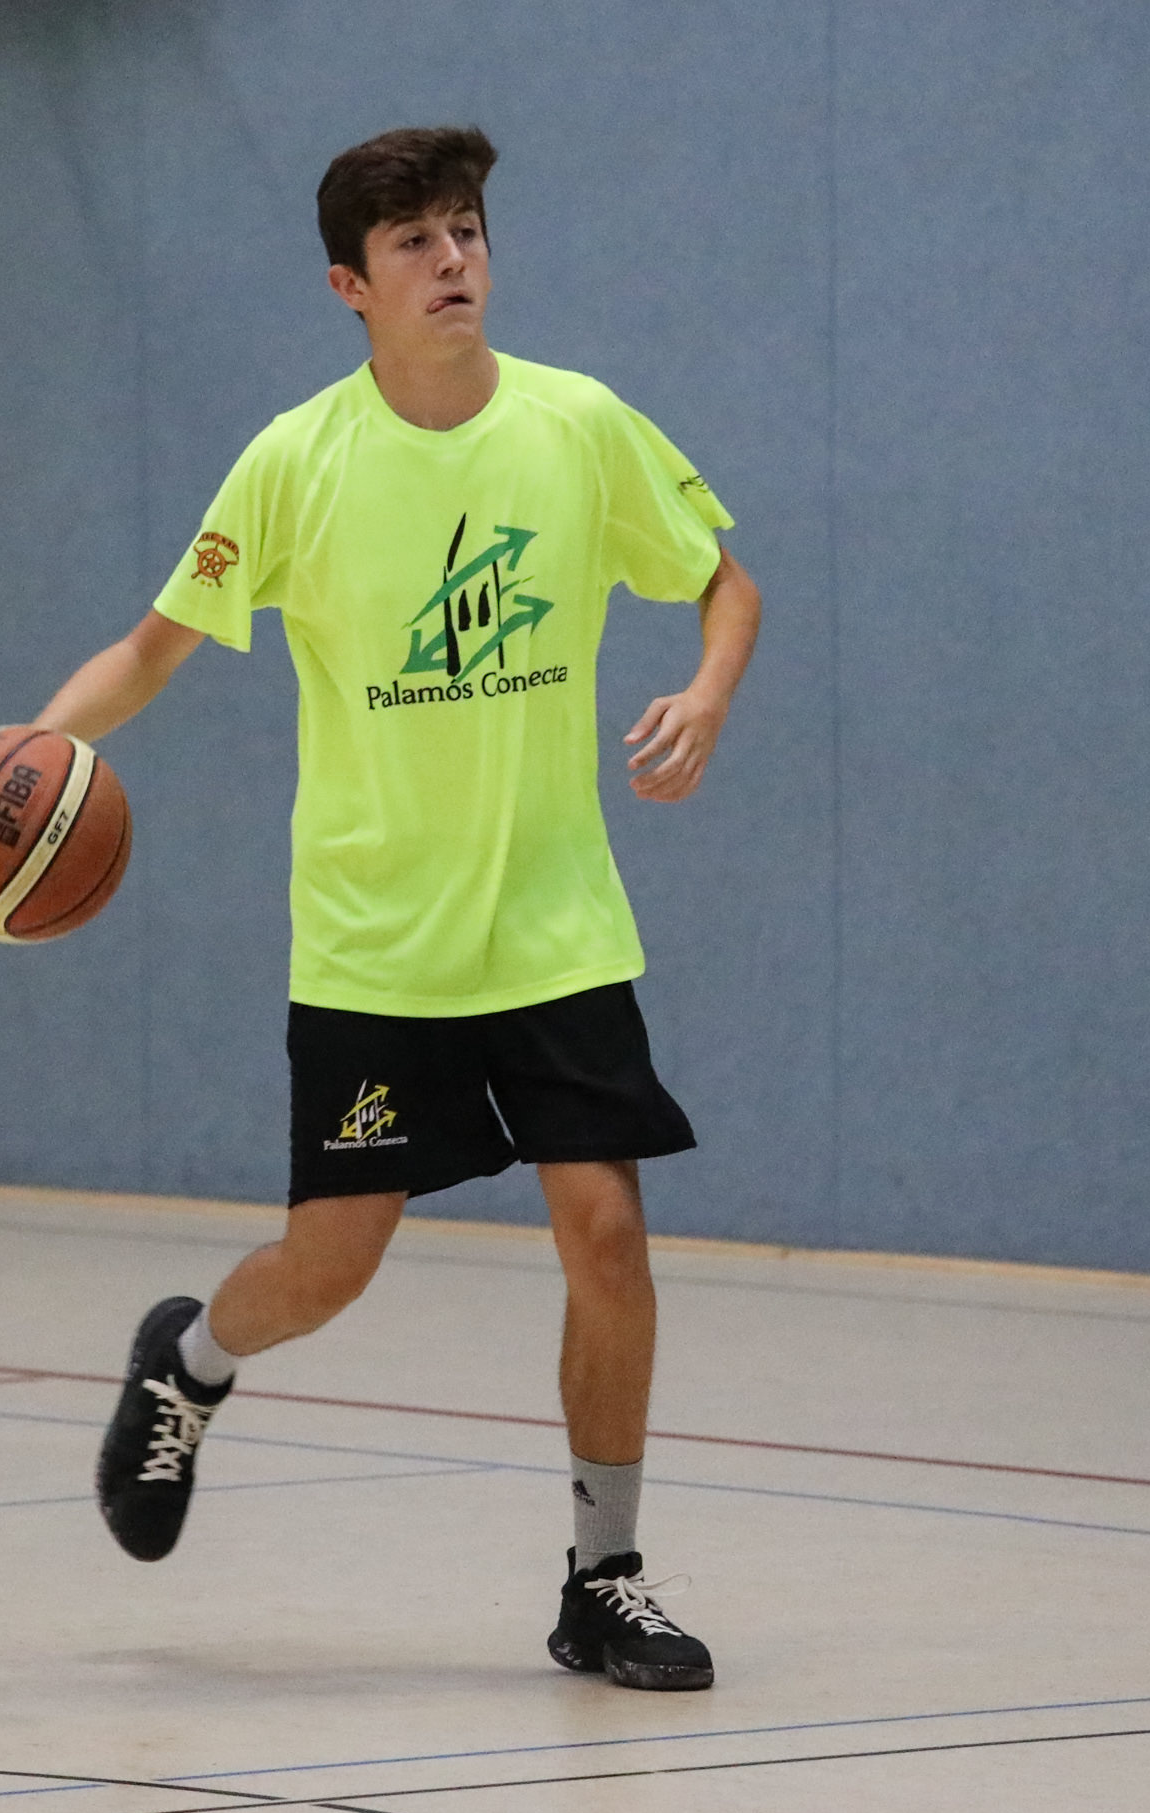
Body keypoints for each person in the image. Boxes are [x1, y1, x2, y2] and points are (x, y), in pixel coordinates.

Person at [50, 126, 760, 1691]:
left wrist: (708, 690)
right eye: (414, 243)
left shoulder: (578, 426)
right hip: (374, 942)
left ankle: (603, 1577)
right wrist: (39, 747)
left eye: (465, 232)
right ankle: (189, 1361)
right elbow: (154, 647)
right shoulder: (293, 463)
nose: (451, 261)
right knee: (330, 1265)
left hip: (554, 924)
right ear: (348, 287)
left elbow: (725, 581)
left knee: (608, 1231)